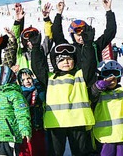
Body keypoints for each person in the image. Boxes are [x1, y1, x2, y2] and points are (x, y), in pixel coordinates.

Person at [30, 26, 97, 155]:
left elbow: (89, 63)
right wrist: (35, 48)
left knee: (81, 153)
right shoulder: (50, 78)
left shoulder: (80, 75)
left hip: (78, 122)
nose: (66, 62)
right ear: (55, 63)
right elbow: (37, 66)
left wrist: (88, 44)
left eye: (69, 59)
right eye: (61, 59)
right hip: (57, 123)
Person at [51, 0, 116, 64]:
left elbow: (110, 32)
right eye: (78, 35)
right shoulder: (70, 49)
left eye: (84, 34)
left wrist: (108, 11)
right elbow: (57, 35)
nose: (81, 38)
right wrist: (59, 13)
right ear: (73, 35)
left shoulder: (95, 46)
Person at [92, 60, 123, 156]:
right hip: (105, 137)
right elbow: (92, 95)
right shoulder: (99, 95)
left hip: (121, 136)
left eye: (114, 77)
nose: (111, 80)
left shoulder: (121, 92)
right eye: (106, 75)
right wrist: (97, 87)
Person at [15, 68, 47, 156]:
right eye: (23, 80)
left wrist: (37, 82)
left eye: (29, 78)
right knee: (26, 148)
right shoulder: (19, 92)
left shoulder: (37, 90)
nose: (27, 81)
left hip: (37, 124)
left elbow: (43, 98)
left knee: (38, 148)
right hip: (24, 125)